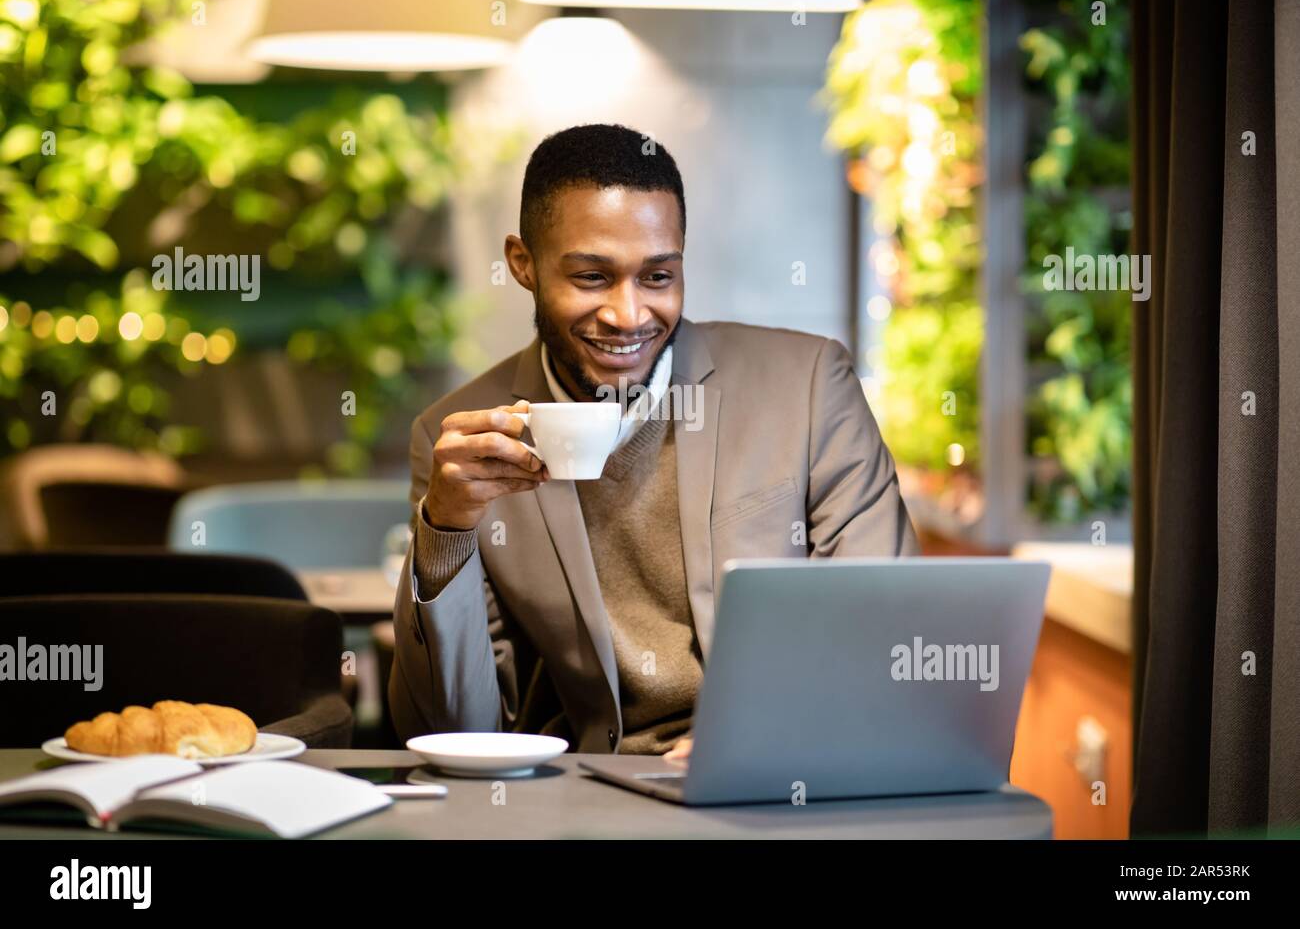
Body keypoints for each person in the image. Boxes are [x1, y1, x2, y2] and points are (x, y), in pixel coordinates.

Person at [389, 123, 919, 758]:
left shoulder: (806, 386)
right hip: (589, 803)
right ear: (522, 264)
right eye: (591, 277)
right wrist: (446, 530)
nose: (628, 315)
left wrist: (766, 737)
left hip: (780, 785)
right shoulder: (461, 438)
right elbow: (453, 729)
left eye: (658, 277)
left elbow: (886, 634)